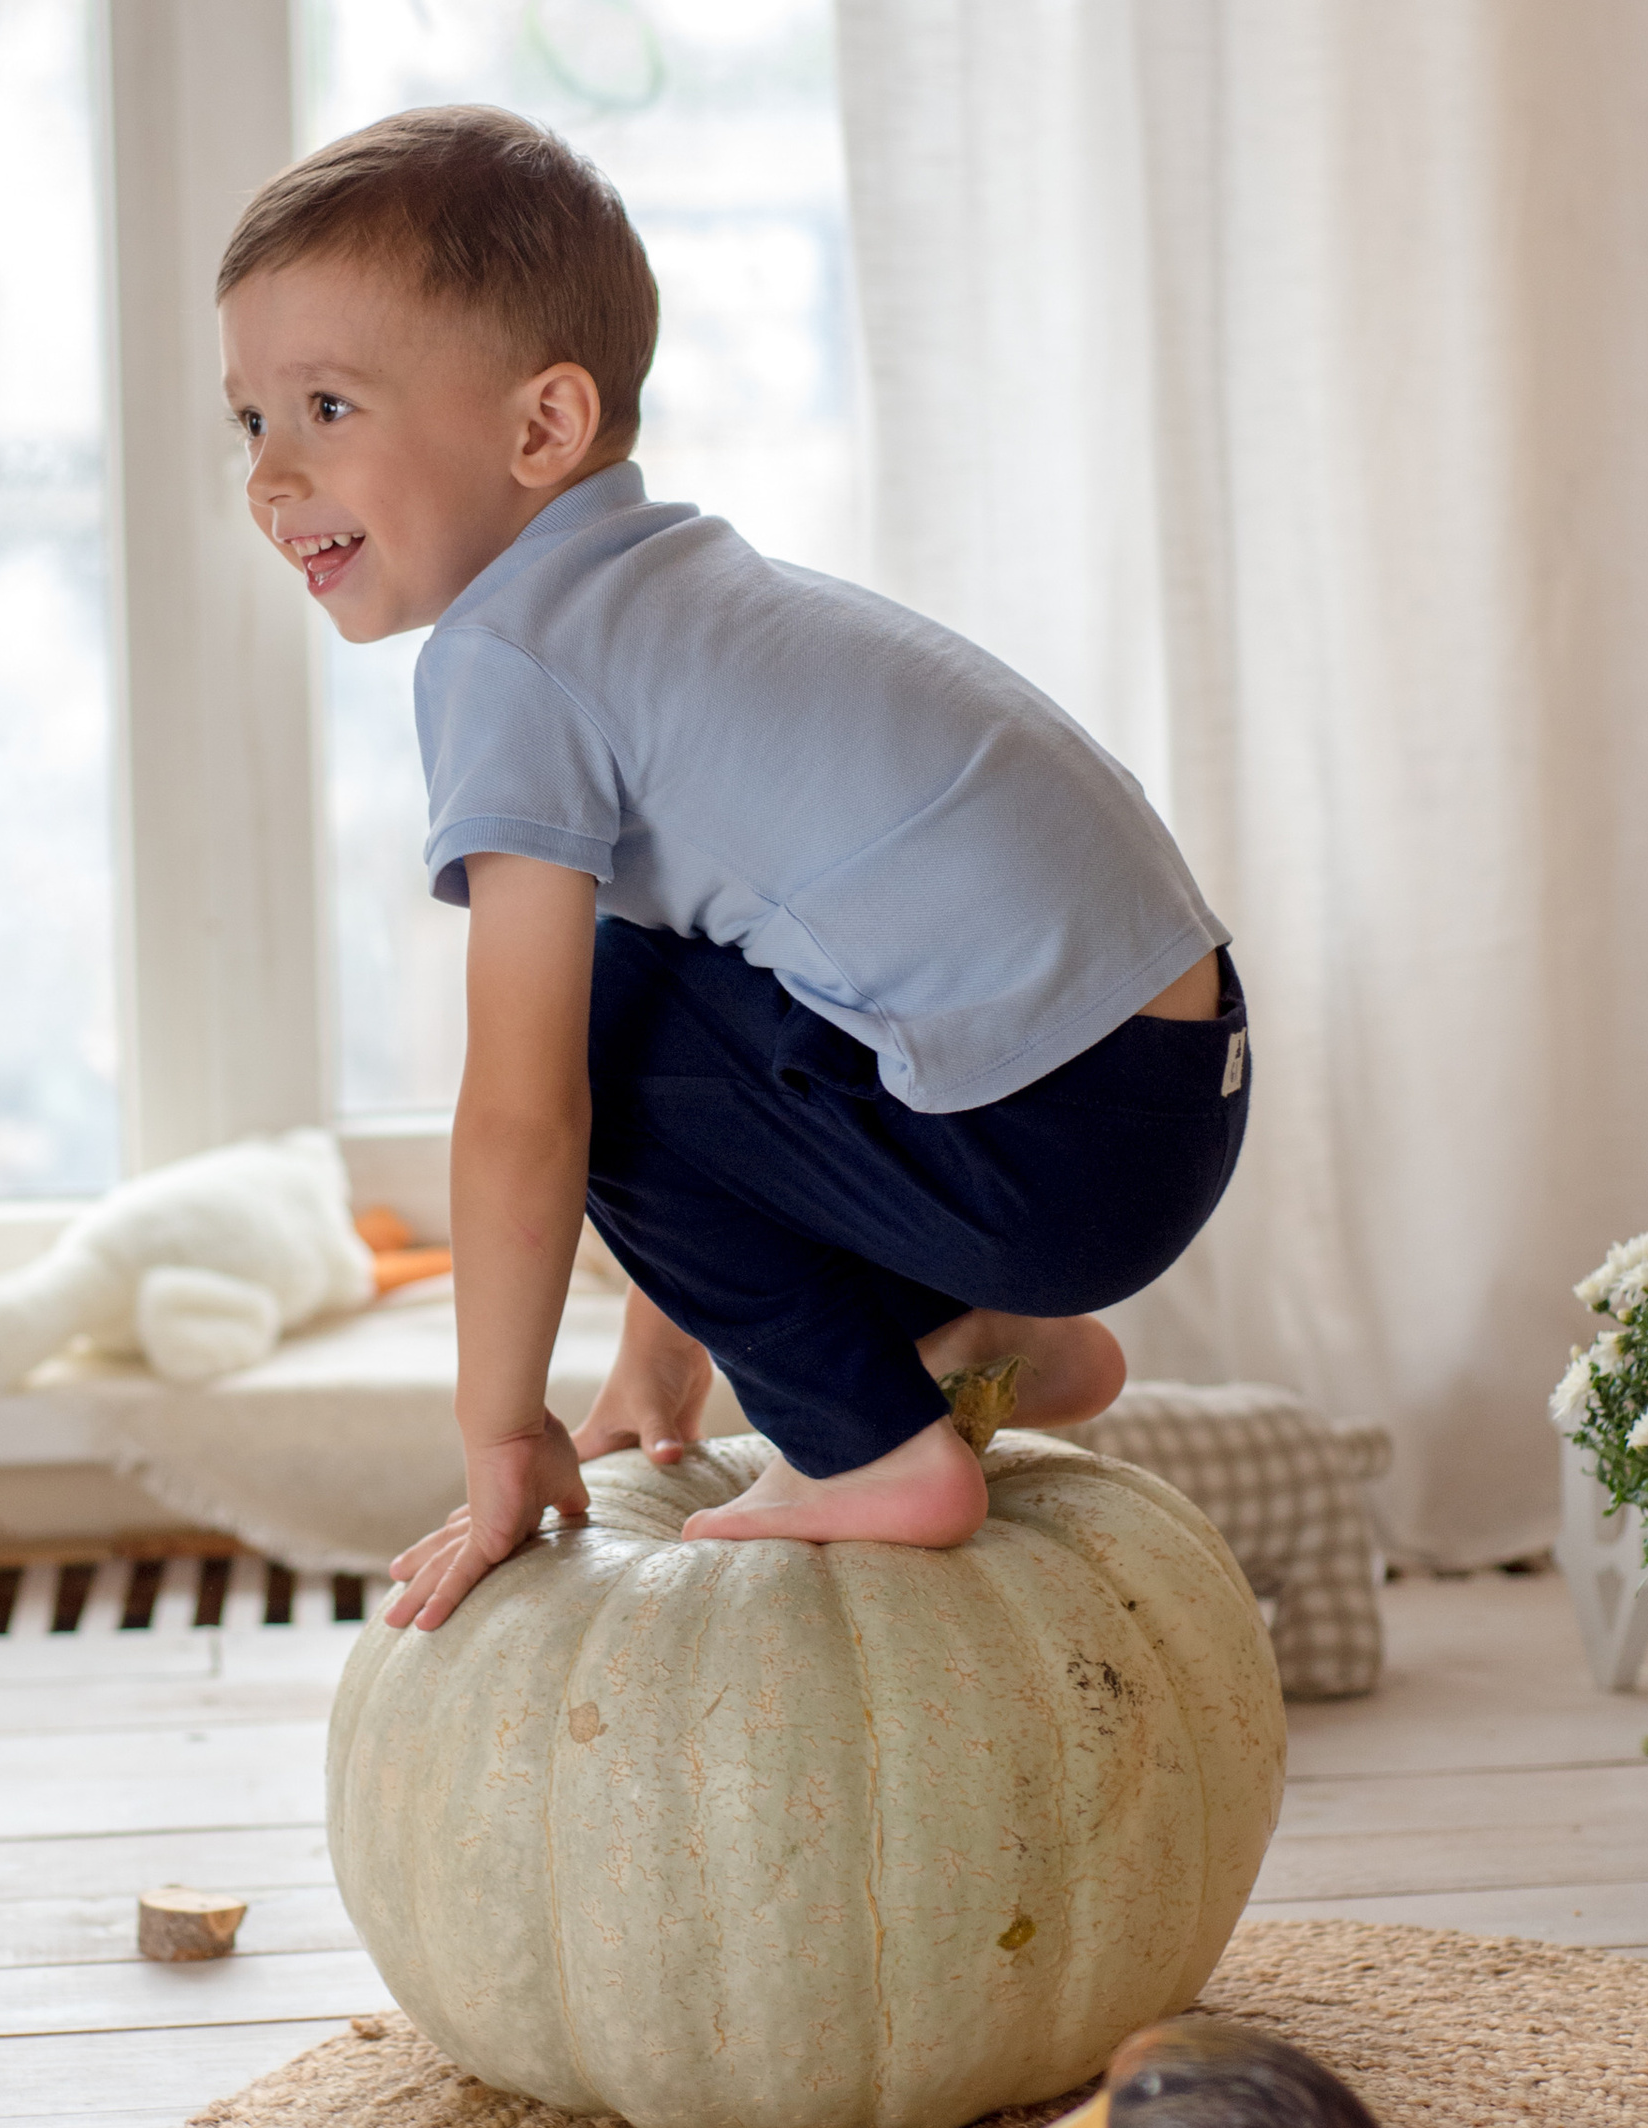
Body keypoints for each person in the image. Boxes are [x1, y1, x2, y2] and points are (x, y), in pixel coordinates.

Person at [217, 104, 1248, 1633]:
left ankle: (877, 1448)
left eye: (326, 408)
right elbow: (727, 1010)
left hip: (1047, 1139)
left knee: (589, 1032)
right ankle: (978, 1337)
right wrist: (662, 1353)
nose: (271, 476)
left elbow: (524, 1110)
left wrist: (500, 1432)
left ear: (543, 427)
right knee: (660, 986)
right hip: (1163, 1098)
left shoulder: (511, 659)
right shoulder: (670, 587)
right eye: (250, 421)